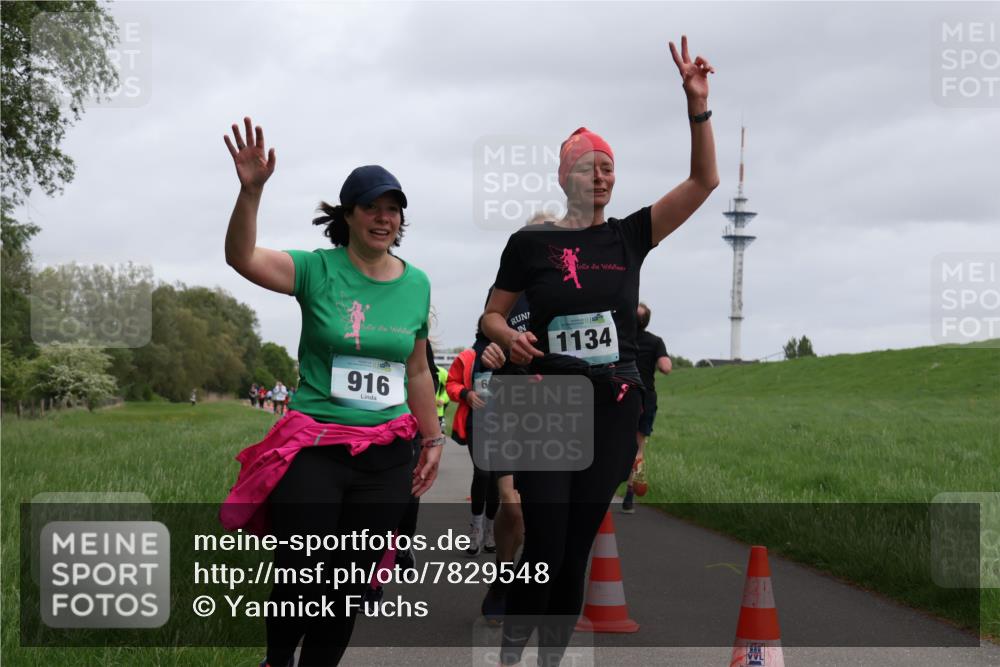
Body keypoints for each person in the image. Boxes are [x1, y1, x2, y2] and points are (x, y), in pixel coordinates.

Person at [481, 37, 718, 666]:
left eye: (609, 167)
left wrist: (697, 106)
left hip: (612, 403)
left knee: (576, 546)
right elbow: (491, 314)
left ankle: (551, 658)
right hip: (547, 400)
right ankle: (510, 652)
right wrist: (505, 336)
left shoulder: (631, 235)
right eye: (589, 166)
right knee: (545, 540)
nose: (602, 176)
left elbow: (703, 181)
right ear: (565, 177)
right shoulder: (529, 244)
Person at [218, 117, 443, 667]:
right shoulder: (316, 270)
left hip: (386, 453)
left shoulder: (417, 284)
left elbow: (416, 371)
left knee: (347, 587)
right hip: (316, 445)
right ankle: (277, 661)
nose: (384, 218)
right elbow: (241, 258)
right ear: (348, 214)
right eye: (372, 207)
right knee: (302, 577)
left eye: (393, 209)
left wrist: (433, 440)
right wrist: (250, 194)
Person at [446, 341, 507, 557]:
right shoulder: (468, 357)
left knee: (494, 479)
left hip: (503, 425)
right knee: (482, 473)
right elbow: (451, 384)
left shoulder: (509, 354)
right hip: (476, 424)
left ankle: (490, 530)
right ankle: (476, 529)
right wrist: (466, 394)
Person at [622, 301, 672, 514]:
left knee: (614, 441)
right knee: (638, 446)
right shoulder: (655, 341)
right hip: (646, 397)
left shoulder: (622, 338)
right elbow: (666, 367)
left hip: (622, 394)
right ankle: (629, 495)